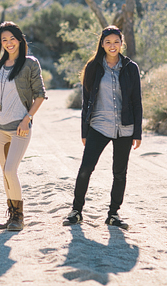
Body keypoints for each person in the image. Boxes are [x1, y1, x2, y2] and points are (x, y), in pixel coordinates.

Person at [63, 25, 142, 229]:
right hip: (98, 125)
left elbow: (136, 102)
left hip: (125, 127)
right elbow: (86, 101)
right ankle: (76, 210)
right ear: (102, 44)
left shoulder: (131, 68)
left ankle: (113, 214)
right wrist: (84, 131)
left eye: (116, 42)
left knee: (120, 173)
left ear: (121, 43)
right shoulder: (93, 67)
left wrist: (138, 132)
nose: (112, 45)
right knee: (86, 169)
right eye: (108, 42)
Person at [0, 22, 47, 231]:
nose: (8, 43)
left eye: (11, 38)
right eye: (4, 40)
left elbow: (40, 94)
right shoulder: (0, 64)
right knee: (5, 172)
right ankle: (11, 215)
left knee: (11, 169)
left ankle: (19, 217)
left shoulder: (30, 64)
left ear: (20, 39)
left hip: (19, 127)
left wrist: (27, 118)